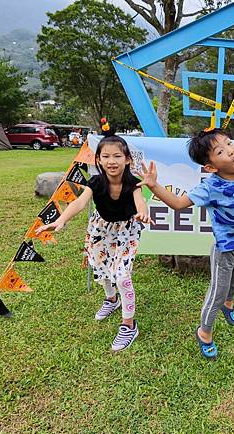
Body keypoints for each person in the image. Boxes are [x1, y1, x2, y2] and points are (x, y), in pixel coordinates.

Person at [136, 128, 234, 359]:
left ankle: (229, 303)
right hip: (225, 251)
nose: (231, 150)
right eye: (220, 151)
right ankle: (204, 332)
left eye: (229, 143)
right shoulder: (210, 188)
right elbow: (177, 203)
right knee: (217, 292)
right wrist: (154, 185)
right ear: (211, 167)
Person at [37, 135, 153, 351]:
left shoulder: (133, 182)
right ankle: (111, 300)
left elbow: (140, 201)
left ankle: (129, 325)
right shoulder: (96, 182)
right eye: (105, 156)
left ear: (127, 159)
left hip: (126, 230)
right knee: (100, 267)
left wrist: (143, 213)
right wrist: (61, 220)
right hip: (100, 228)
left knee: (122, 275)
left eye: (117, 156)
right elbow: (80, 202)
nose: (111, 161)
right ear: (98, 160)